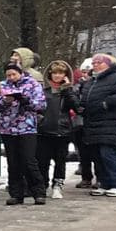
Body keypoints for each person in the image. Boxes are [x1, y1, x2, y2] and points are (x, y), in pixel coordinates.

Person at [80, 53, 116, 197]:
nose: (95, 65)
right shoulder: (90, 82)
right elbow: (85, 99)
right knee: (98, 155)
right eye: (94, 63)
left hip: (112, 123)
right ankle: (105, 184)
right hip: (93, 124)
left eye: (99, 62)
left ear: (108, 64)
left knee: (108, 154)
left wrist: (108, 102)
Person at [0, 62, 47, 205]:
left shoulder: (32, 84)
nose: (11, 77)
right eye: (8, 75)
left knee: (29, 160)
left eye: (14, 74)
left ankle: (38, 192)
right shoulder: (2, 86)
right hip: (8, 128)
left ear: (20, 73)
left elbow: (41, 104)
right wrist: (6, 102)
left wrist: (26, 101)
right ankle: (16, 194)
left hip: (27, 128)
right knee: (13, 162)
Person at [37, 60, 79, 199]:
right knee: (43, 161)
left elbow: (76, 107)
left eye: (61, 73)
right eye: (54, 73)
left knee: (60, 162)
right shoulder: (43, 91)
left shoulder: (69, 92)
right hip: (44, 131)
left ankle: (58, 185)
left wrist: (67, 89)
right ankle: (42, 185)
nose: (57, 76)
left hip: (62, 131)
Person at [73, 58, 97, 189]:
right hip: (79, 123)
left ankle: (100, 178)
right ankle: (86, 177)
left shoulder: (96, 85)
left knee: (97, 153)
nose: (85, 74)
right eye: (83, 71)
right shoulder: (76, 87)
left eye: (88, 72)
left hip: (93, 123)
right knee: (83, 153)